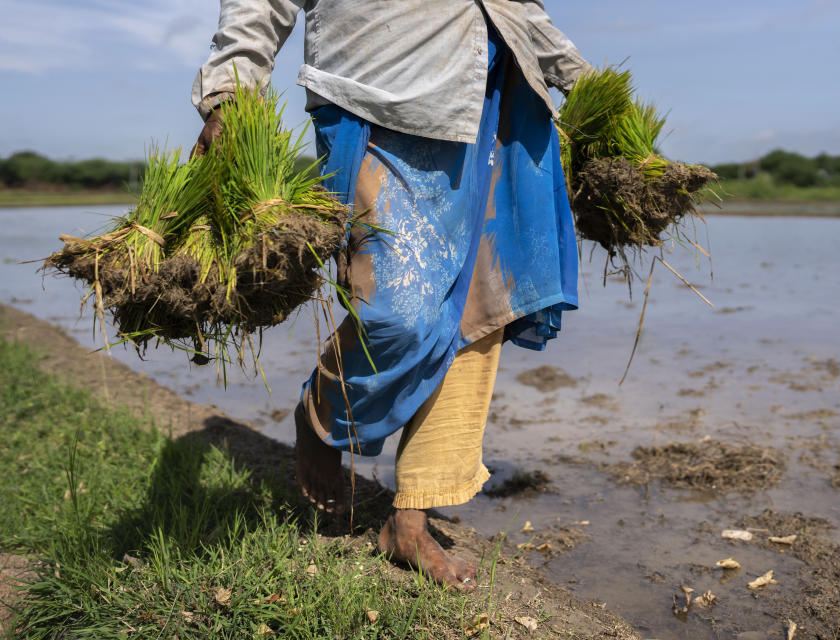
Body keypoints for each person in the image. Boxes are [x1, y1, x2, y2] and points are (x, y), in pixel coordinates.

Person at [192, 0, 589, 591]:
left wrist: (583, 85)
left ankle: (410, 521)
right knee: (395, 315)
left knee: (477, 309)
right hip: (369, 95)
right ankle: (322, 414)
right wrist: (230, 89)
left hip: (488, 101)